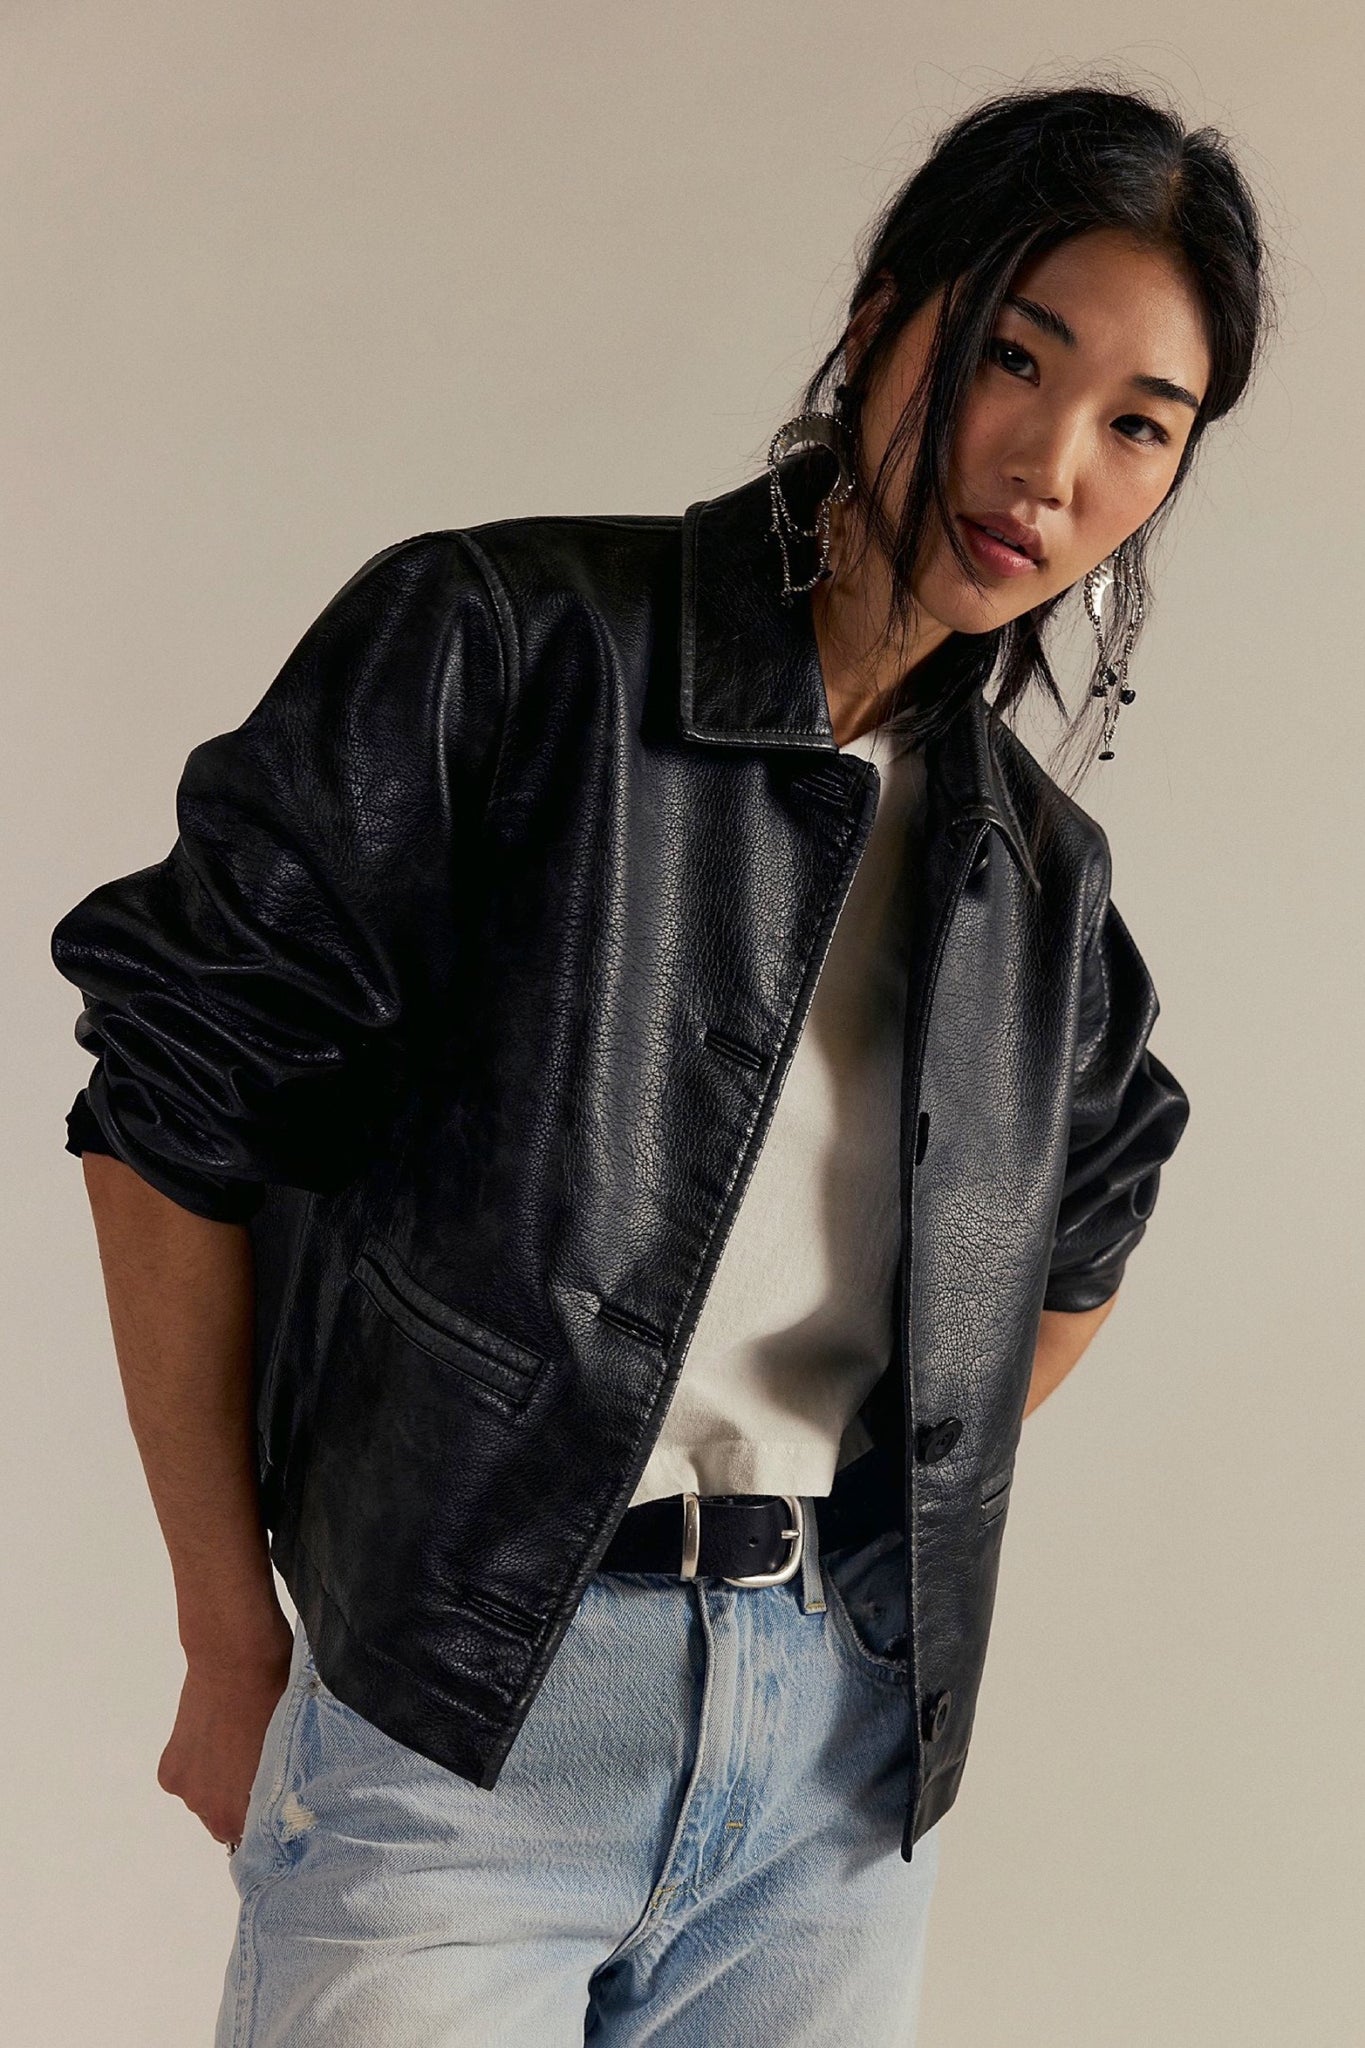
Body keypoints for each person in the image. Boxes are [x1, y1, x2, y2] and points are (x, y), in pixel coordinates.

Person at [50, 80, 1271, 2048]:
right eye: (1013, 356)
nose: (1049, 464)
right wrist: (226, 1629)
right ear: (881, 323)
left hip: (832, 1781)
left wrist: (856, 1542)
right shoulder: (508, 648)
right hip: (460, 1721)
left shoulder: (1032, 880)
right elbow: (167, 1100)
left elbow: (1077, 1243)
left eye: (1139, 422)